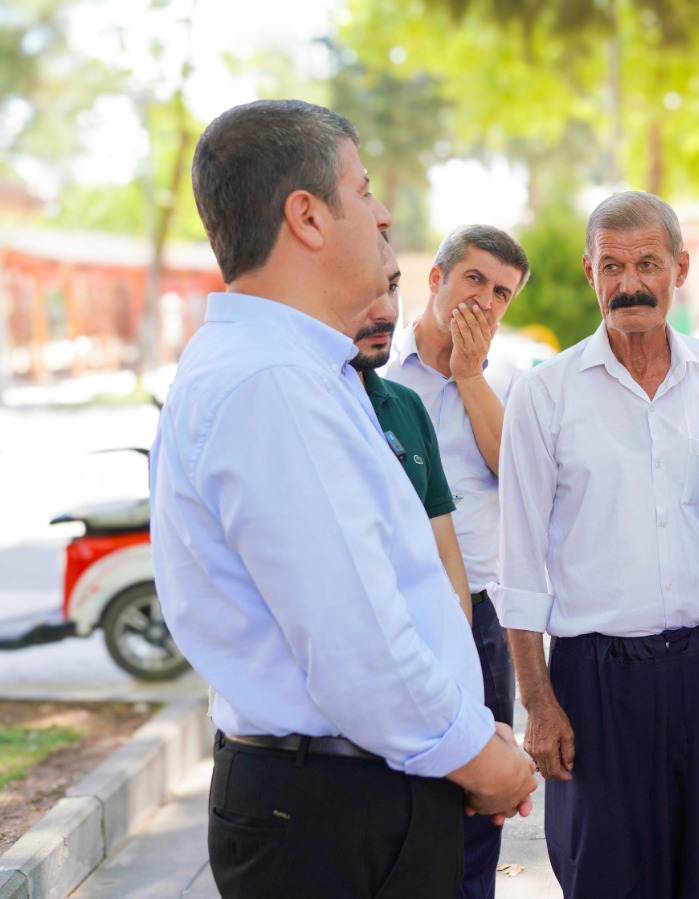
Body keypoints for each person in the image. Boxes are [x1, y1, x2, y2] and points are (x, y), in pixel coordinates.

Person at [150, 99, 534, 899]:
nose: (384, 212)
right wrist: (485, 758)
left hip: (353, 790)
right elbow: (360, 646)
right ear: (308, 217)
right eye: (363, 190)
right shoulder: (273, 384)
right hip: (335, 812)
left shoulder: (296, 373)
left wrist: (465, 730)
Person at [493, 191, 699, 898]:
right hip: (596, 682)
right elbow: (519, 560)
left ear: (680, 267)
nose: (630, 284)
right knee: (607, 879)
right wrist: (538, 700)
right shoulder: (546, 395)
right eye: (612, 265)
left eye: (648, 262)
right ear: (590, 272)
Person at [381, 223, 528, 898]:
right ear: (436, 279)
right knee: (395, 788)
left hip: (483, 615)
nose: (487, 302)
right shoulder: (375, 369)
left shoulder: (512, 380)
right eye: (475, 279)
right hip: (392, 605)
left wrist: (470, 376)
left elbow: (519, 480)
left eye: (502, 292)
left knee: (479, 797)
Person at [352, 237, 473, 621]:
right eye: (363, 291)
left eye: (392, 287)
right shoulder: (302, 408)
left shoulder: (406, 405)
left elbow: (446, 551)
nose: (387, 310)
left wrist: (462, 657)